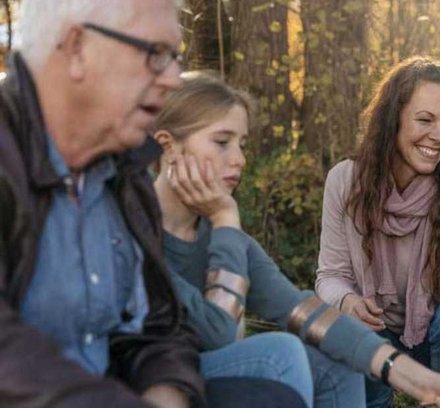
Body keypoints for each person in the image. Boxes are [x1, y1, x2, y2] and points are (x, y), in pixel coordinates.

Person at [0, 1, 293, 407]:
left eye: (175, 58)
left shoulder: (126, 176)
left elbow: (159, 328)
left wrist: (168, 395)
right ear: (77, 47)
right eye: (155, 54)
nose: (173, 79)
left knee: (272, 396)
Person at [151, 73, 440, 408]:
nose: (239, 159)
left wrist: (419, 379)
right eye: (222, 142)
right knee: (281, 352)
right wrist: (225, 219)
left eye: (242, 144)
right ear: (168, 146)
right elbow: (218, 333)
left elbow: (303, 311)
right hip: (136, 380)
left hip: (196, 373)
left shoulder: (222, 237)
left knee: (334, 360)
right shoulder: (130, 229)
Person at [315, 56, 440, 407]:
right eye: (424, 120)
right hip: (374, 328)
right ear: (394, 118)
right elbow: (330, 276)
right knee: (346, 325)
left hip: (438, 340)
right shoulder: (345, 182)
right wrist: (348, 301)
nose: (438, 136)